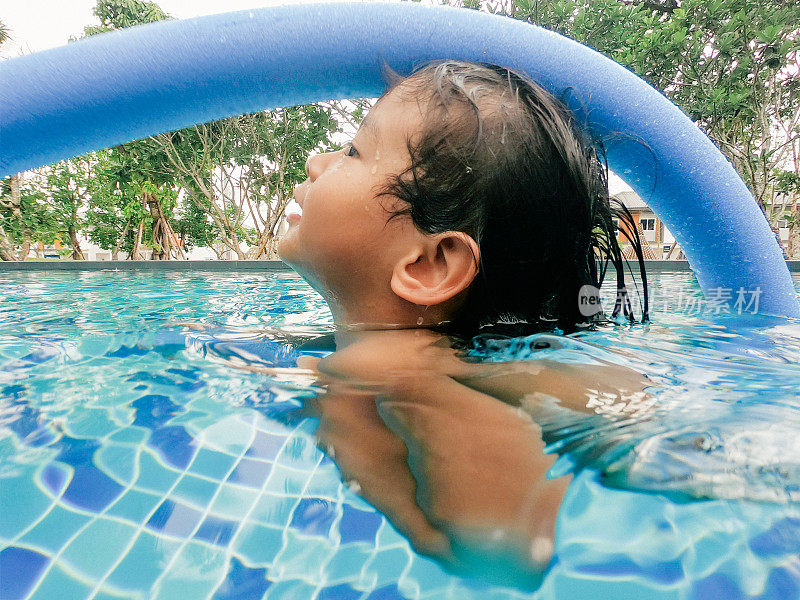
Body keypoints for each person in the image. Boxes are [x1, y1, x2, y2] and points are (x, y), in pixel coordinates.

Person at [261, 60, 651, 587]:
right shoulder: (401, 361)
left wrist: (332, 398)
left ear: (429, 265)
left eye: (354, 151)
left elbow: (505, 547)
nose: (316, 161)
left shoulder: (395, 368)